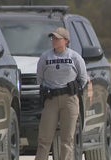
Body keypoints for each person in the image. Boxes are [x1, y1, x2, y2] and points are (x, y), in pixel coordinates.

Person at [35, 27, 88, 160]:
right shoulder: (45, 57)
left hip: (69, 99)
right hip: (51, 99)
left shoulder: (74, 57)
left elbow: (83, 79)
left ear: (66, 41)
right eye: (53, 38)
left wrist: (75, 87)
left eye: (57, 38)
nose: (54, 41)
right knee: (44, 139)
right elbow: (39, 78)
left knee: (67, 139)